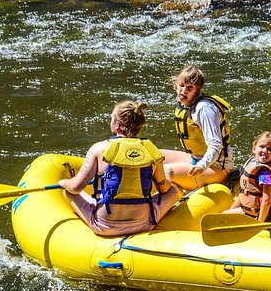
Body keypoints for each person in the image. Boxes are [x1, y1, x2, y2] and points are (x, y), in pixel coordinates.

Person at [58, 101, 181, 237]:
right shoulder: (151, 150)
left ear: (117, 125)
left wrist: (63, 182)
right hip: (143, 223)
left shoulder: (99, 149)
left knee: (68, 192)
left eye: (112, 118)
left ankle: (94, 205)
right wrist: (168, 177)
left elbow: (75, 188)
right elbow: (164, 189)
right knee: (173, 191)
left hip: (104, 224)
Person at [162, 65, 234, 191]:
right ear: (176, 85)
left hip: (216, 168)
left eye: (190, 88)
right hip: (195, 159)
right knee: (154, 157)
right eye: (182, 85)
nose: (183, 91)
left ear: (198, 91)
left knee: (166, 171)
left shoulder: (204, 109)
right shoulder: (184, 104)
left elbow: (216, 145)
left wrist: (202, 165)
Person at [223, 131, 271, 222]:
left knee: (224, 214)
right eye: (262, 147)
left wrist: (259, 223)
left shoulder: (264, 174)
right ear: (254, 148)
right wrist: (232, 209)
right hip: (251, 210)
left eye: (270, 149)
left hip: (261, 215)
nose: (265, 151)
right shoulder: (252, 163)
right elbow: (244, 192)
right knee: (227, 213)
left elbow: (267, 201)